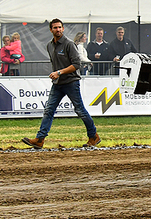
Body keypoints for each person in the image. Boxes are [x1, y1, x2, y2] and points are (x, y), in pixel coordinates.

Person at [22, 19, 100, 149]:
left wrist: (59, 72)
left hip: (71, 82)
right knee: (49, 110)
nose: (57, 30)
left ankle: (93, 136)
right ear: (51, 30)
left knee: (80, 110)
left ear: (63, 29)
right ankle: (40, 139)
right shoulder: (49, 45)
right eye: (55, 28)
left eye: (59, 27)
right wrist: (57, 74)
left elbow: (76, 64)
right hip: (58, 83)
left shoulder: (69, 44)